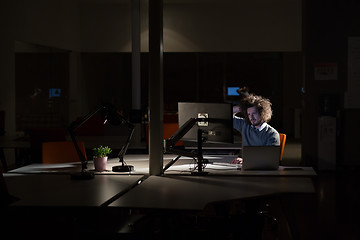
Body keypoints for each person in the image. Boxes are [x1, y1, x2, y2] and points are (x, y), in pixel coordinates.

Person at [232, 90, 280, 163]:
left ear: (262, 113)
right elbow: (227, 117)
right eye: (249, 114)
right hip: (243, 167)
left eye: (254, 113)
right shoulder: (245, 125)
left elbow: (270, 160)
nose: (251, 117)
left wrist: (246, 160)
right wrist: (241, 107)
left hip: (261, 171)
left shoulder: (272, 134)